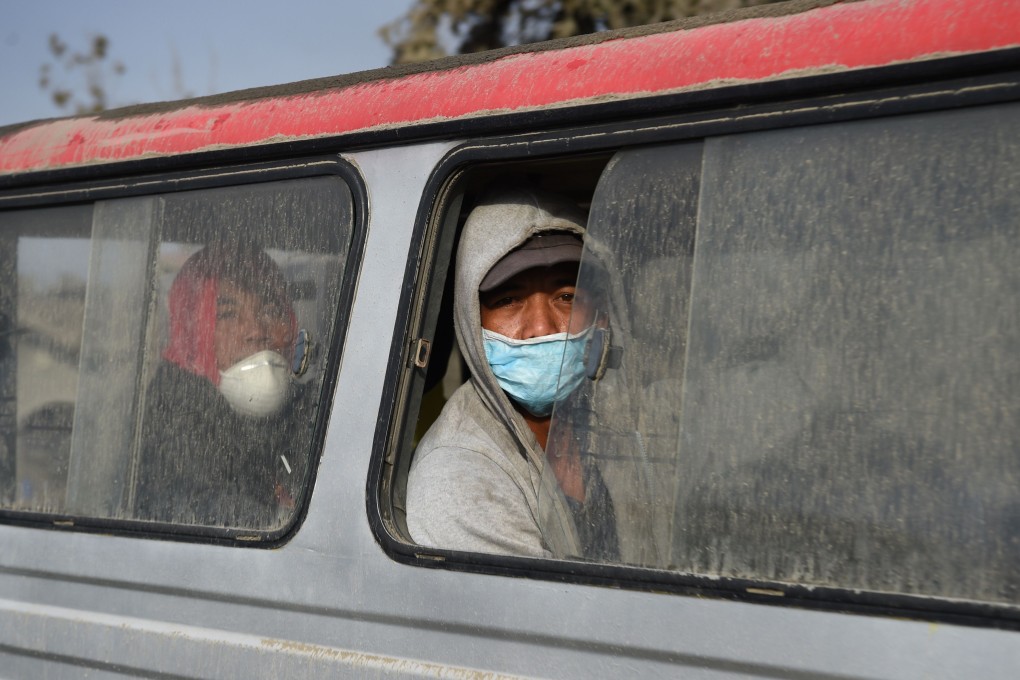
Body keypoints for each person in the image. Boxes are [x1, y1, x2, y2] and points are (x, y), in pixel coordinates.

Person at [406, 187, 618, 559]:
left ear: (600, 314)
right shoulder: (459, 475)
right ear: (472, 323)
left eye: (567, 296)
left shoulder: (620, 420)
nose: (540, 327)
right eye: (508, 300)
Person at [135, 243, 309, 528]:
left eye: (270, 309)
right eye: (227, 314)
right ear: (192, 331)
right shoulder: (173, 425)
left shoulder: (319, 414)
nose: (255, 330)